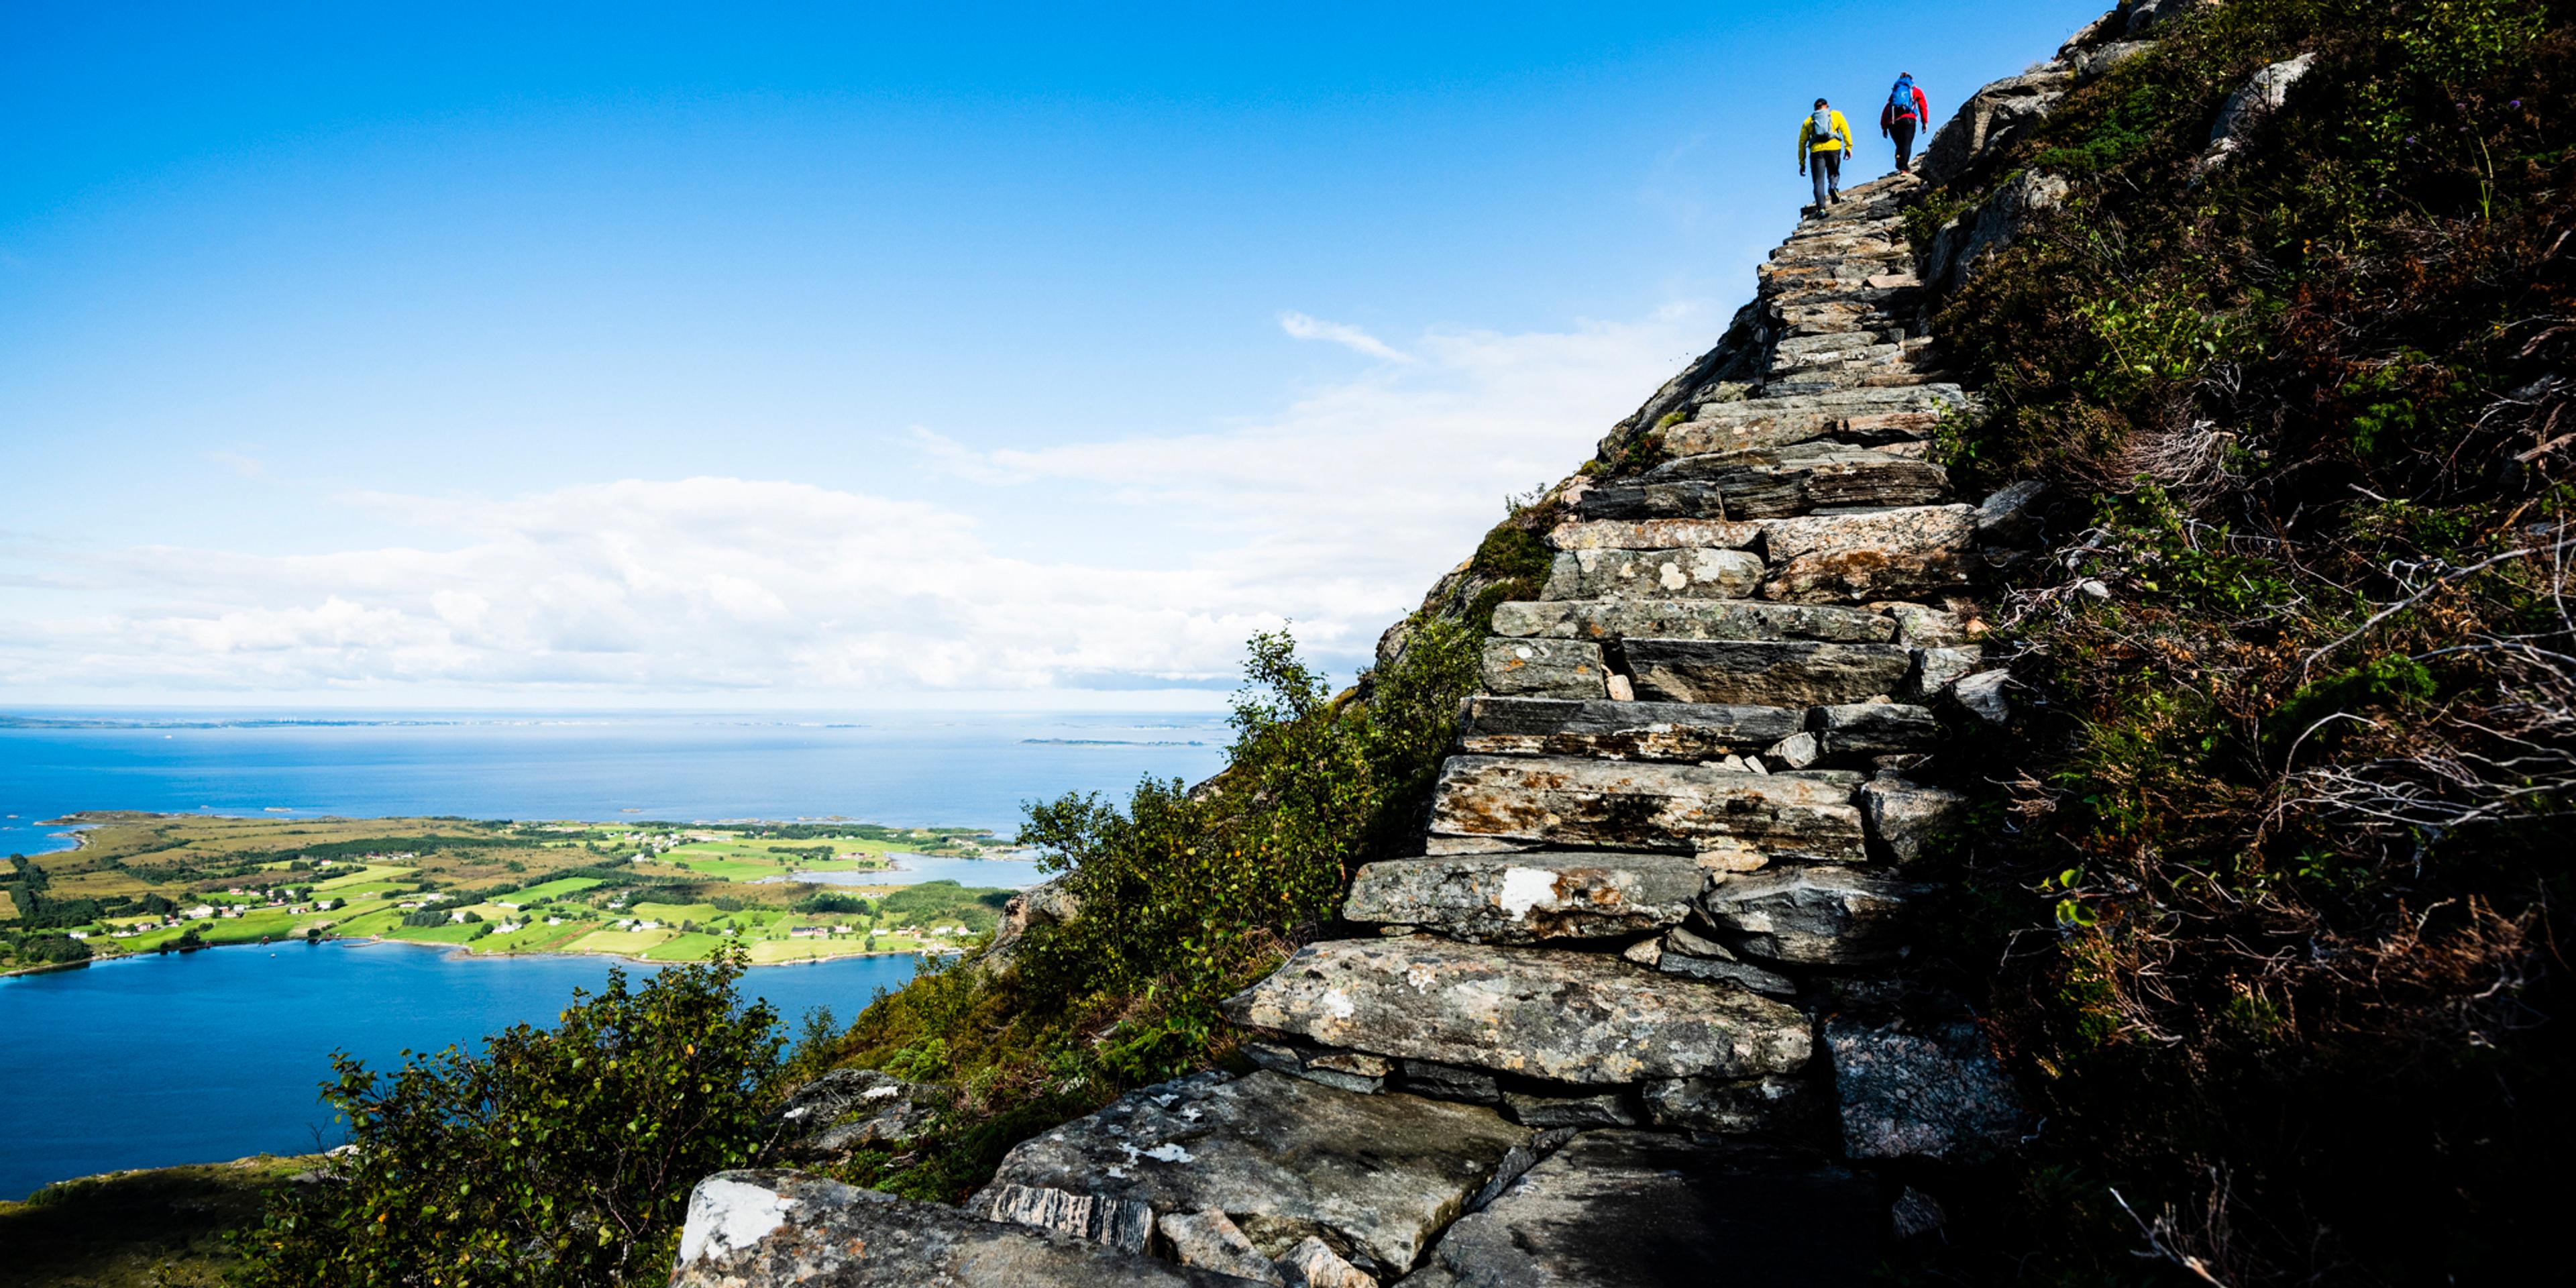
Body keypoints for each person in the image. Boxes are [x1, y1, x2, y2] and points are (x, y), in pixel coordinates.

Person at [1797, 98, 1854, 209]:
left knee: (1818, 181)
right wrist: (1848, 147)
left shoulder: (1808, 121)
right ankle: (1833, 187)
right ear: (1827, 106)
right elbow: (1845, 130)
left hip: (1816, 152)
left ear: (1815, 109)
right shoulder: (1836, 115)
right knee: (1834, 173)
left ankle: (1821, 209)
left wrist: (1802, 162)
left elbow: (1802, 143)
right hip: (1834, 148)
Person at [1882, 73, 1931, 171]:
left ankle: (1899, 163)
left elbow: (1886, 109)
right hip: (1908, 120)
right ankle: (1903, 168)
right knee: (1906, 144)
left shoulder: (1894, 93)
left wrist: (1884, 127)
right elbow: (1923, 107)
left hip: (1893, 123)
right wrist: (1925, 122)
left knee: (1900, 146)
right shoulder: (1915, 90)